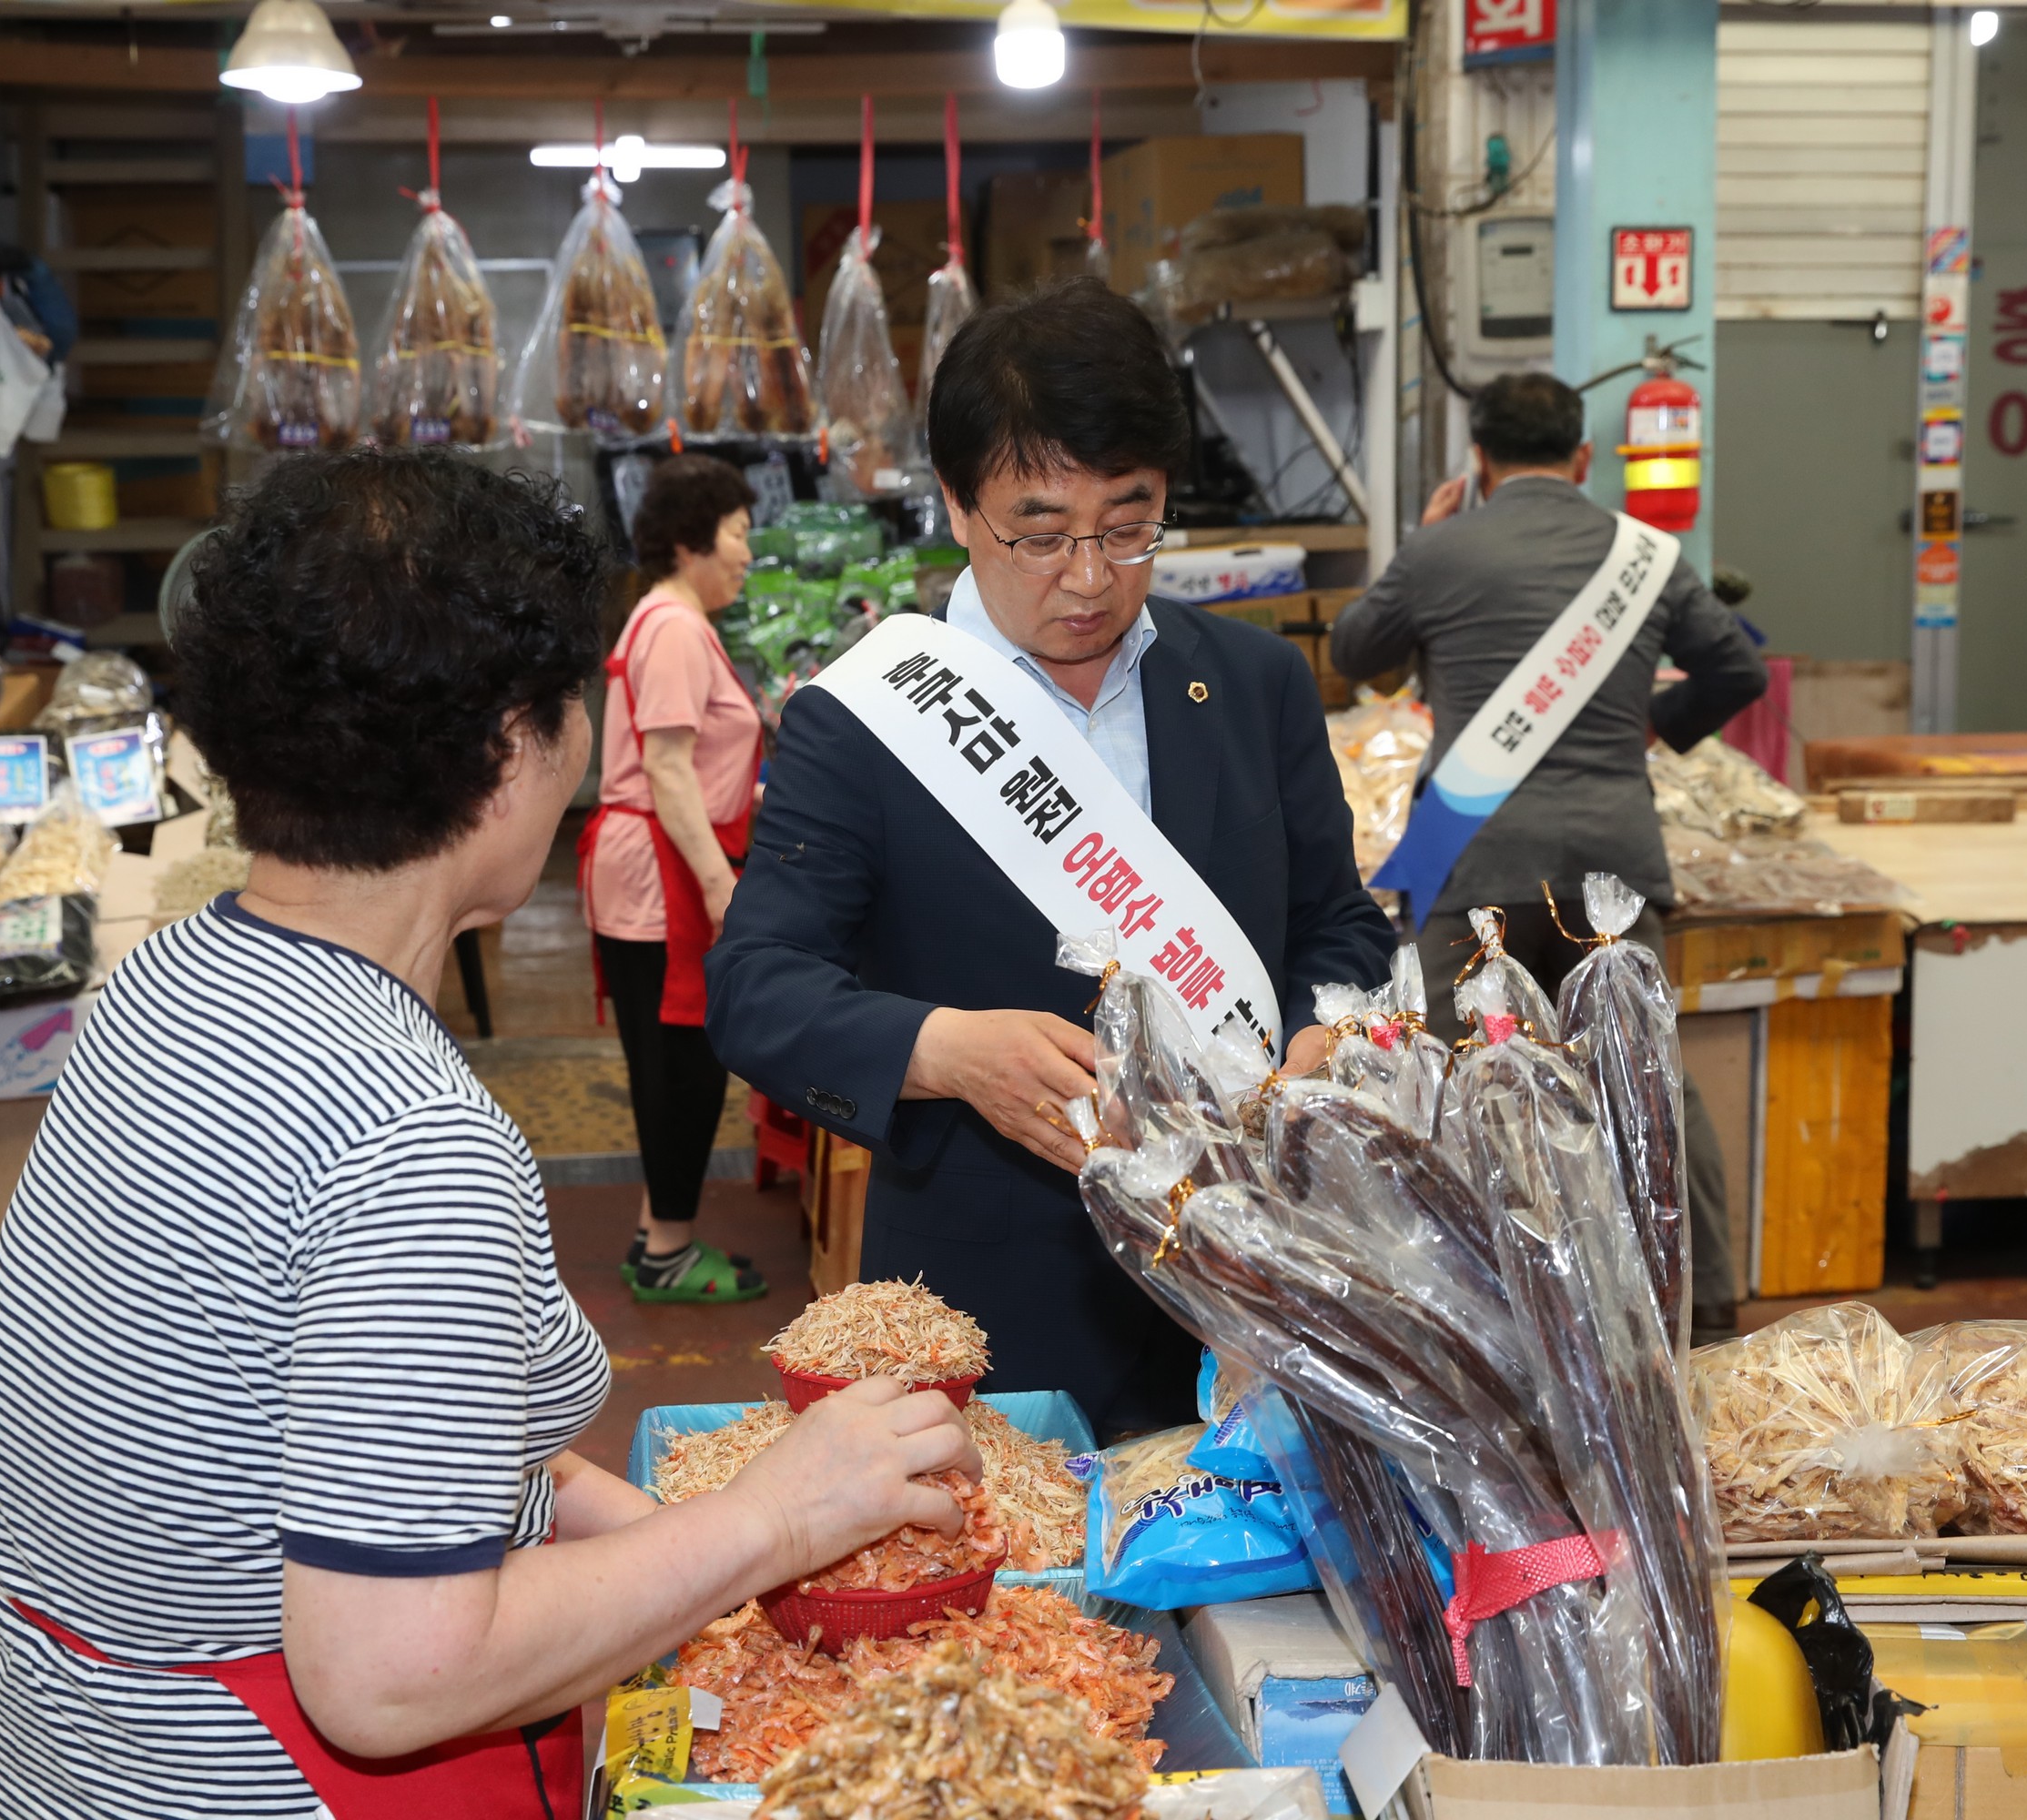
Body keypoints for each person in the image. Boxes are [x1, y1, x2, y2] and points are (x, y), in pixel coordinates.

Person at [0, 451, 978, 1817]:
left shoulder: (176, 981)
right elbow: (387, 1678)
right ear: (516, 748)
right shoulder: (408, 1141)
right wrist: (775, 1518)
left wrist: (709, 1555)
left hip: (71, 1761)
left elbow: (362, 1443)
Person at [706, 278, 1395, 1435]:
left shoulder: (1252, 684)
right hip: (997, 1308)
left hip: (1252, 1284)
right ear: (958, 506)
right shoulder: (868, 714)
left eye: (1130, 526)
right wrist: (943, 1048)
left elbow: (1340, 929)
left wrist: (1335, 1028)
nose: (1089, 575)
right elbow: (757, 987)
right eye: (1040, 531)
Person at [1328, 369, 1767, 1333]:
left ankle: (1461, 1306)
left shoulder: (1444, 549)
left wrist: (1420, 539)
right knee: (1648, 1078)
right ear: (1583, 457)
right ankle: (1713, 1304)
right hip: (1611, 861)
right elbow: (1738, 667)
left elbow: (1355, 652)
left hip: (1477, 860)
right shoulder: (1647, 556)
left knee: (1452, 1076)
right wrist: (1651, 722)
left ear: (1479, 461)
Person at [579, 454, 766, 1304]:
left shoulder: (666, 620)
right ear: (692, 541)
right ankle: (668, 1251)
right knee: (680, 1062)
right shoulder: (676, 628)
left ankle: (661, 1231)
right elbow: (667, 768)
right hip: (663, 874)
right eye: (737, 535)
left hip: (657, 864)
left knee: (672, 1056)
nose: (747, 554)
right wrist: (719, 881)